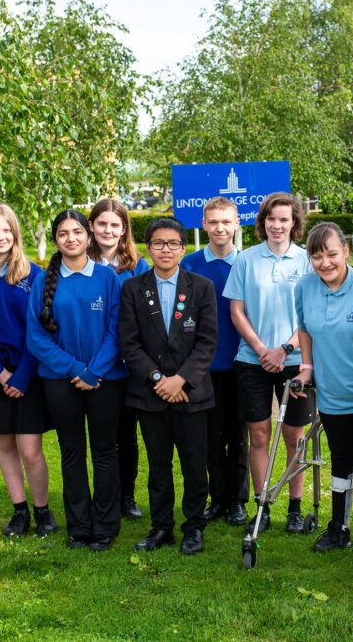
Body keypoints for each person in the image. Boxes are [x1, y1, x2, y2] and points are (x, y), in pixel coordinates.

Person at [26, 209, 127, 551]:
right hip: (60, 381)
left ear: (89, 236)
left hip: (105, 379)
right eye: (63, 234)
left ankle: (105, 527)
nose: (71, 239)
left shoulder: (107, 278)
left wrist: (95, 370)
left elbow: (117, 330)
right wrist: (74, 369)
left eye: (77, 232)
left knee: (104, 452)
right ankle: (79, 526)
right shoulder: (43, 281)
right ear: (56, 240)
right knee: (72, 452)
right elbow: (36, 338)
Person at [292, 222, 353, 558]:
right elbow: (304, 329)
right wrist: (307, 368)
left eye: (331, 254)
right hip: (332, 397)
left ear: (346, 252)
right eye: (316, 256)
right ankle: (340, 528)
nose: (325, 263)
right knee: (341, 464)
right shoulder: (305, 287)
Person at [119, 217, 217, 555]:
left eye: (172, 244)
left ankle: (193, 528)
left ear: (183, 248)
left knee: (194, 464)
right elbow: (129, 343)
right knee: (158, 464)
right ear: (148, 247)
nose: (165, 249)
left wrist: (181, 379)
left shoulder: (201, 287)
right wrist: (159, 379)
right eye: (158, 243)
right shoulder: (133, 289)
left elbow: (207, 342)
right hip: (151, 395)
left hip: (191, 394)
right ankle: (161, 527)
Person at [222, 192, 312, 533]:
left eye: (284, 219)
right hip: (251, 360)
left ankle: (294, 507)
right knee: (258, 436)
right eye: (272, 219)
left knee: (293, 436)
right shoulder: (246, 259)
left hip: (294, 361)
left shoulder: (305, 261)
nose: (277, 225)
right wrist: (262, 349)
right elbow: (236, 311)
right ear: (263, 222)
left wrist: (284, 350)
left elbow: (309, 314)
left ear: (294, 224)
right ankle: (262, 505)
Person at [0, 204, 57, 539]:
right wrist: (0, 373)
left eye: (6, 230)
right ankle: (19, 511)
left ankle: (42, 511)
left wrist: (21, 375)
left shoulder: (33, 275)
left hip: (29, 373)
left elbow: (42, 330)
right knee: (4, 444)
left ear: (15, 233)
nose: (0, 236)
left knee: (30, 449)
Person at [180, 196, 250, 526]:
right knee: (209, 438)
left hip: (241, 363)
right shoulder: (190, 265)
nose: (220, 228)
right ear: (204, 224)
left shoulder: (248, 264)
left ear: (237, 224)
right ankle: (216, 497)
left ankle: (237, 500)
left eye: (226, 221)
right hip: (203, 367)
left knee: (238, 437)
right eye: (214, 222)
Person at [88, 197, 151, 521]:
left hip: (128, 366)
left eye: (115, 225)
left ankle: (126, 496)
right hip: (91, 365)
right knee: (100, 437)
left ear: (124, 228)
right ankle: (104, 496)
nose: (108, 230)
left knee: (126, 436)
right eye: (102, 224)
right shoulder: (79, 261)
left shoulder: (137, 266)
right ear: (92, 226)